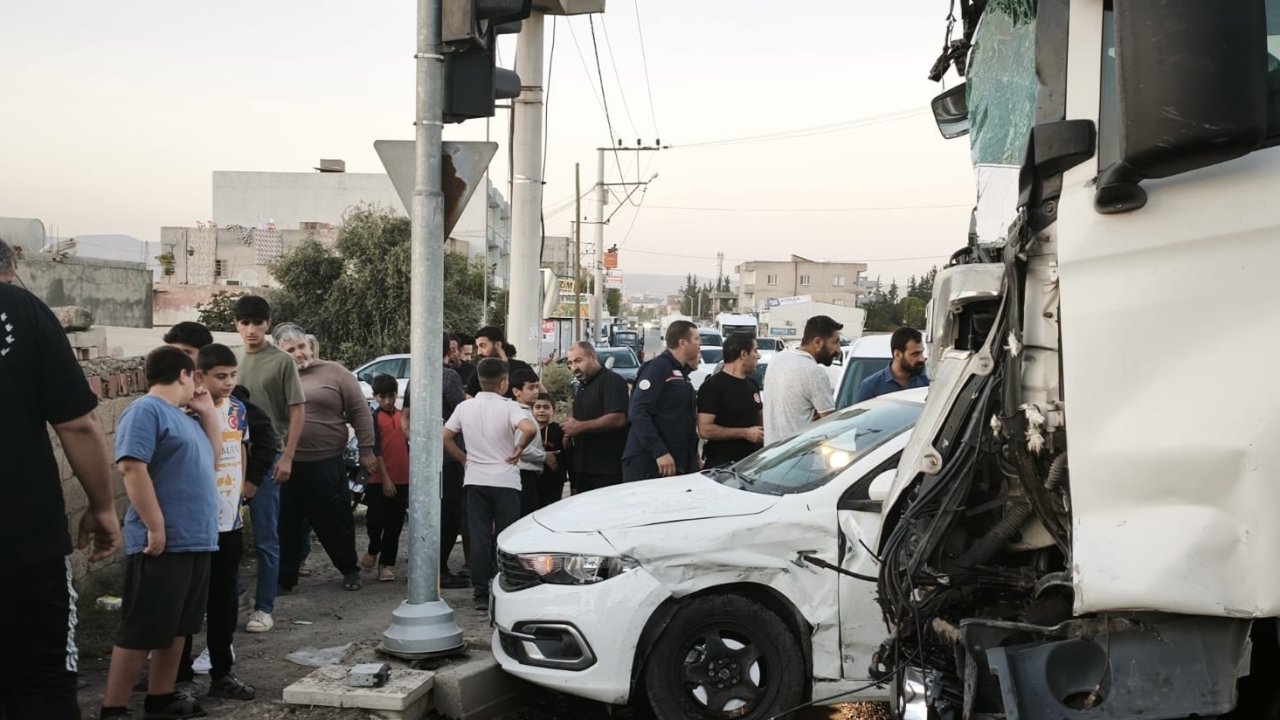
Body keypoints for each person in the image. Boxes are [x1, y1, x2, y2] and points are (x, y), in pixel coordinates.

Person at [0, 277, 121, 719]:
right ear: (9, 272)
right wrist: (103, 506)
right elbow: (79, 424)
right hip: (23, 543)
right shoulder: (24, 310)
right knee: (41, 682)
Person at [100, 346, 222, 720]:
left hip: (196, 538)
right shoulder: (146, 410)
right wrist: (155, 526)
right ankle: (114, 707)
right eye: (195, 379)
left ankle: (161, 696)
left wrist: (208, 414)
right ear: (185, 374)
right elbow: (132, 468)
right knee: (143, 627)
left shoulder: (186, 417)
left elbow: (213, 461)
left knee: (179, 626)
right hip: (163, 542)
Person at [176, 344, 256, 701]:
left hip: (229, 520)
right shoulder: (186, 411)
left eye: (232, 375)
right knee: (187, 601)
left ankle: (222, 672)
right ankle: (177, 677)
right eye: (220, 376)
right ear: (200, 377)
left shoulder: (238, 409)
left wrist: (240, 496)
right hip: (193, 524)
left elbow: (240, 448)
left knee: (223, 601)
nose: (228, 382)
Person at [273, 323, 378, 593]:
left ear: (310, 345)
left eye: (301, 347)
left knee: (335, 519)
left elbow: (360, 411)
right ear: (279, 353)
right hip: (286, 463)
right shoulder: (277, 376)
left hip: (326, 462)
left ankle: (350, 569)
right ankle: (286, 577)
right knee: (287, 523)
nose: (298, 353)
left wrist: (367, 450)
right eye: (290, 350)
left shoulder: (335, 372)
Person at [234, 295, 306, 633]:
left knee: (266, 535)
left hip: (269, 455)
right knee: (223, 534)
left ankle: (264, 607)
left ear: (267, 323)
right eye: (245, 323)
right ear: (237, 325)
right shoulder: (231, 361)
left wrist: (288, 456)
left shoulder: (282, 361)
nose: (251, 330)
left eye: (257, 323)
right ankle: (236, 594)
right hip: (232, 458)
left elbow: (297, 410)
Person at [443, 358, 539, 612]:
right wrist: (519, 449)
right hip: (506, 480)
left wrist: (464, 459)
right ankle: (504, 584)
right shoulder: (510, 408)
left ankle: (480, 592)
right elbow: (529, 427)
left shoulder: (465, 407)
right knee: (505, 536)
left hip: (476, 479)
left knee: (478, 535)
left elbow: (446, 435)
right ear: (504, 382)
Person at [401, 333, 471, 588]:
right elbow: (462, 414)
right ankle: (439, 571)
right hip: (450, 458)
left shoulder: (414, 378)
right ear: (448, 351)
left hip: (423, 460)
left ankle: (425, 567)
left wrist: (419, 445)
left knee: (425, 514)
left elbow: (405, 420)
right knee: (449, 515)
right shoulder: (449, 376)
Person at [622, 321, 701, 482]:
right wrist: (659, 451)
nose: (700, 344)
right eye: (697, 339)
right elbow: (638, 412)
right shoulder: (658, 368)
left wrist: (693, 457)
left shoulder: (680, 373)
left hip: (676, 464)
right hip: (649, 464)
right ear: (683, 343)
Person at [561, 342, 629, 492]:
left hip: (607, 470)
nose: (574, 367)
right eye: (570, 363)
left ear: (593, 357)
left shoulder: (611, 381)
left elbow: (618, 418)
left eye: (578, 361)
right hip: (584, 468)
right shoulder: (583, 386)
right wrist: (569, 433)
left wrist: (580, 427)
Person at [764, 315, 842, 444]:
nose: (838, 349)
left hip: (771, 456)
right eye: (835, 342)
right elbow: (830, 426)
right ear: (817, 342)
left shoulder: (777, 360)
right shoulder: (814, 372)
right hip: (799, 459)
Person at [364, 374, 410, 582]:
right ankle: (373, 549)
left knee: (395, 524)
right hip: (378, 479)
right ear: (375, 397)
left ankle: (386, 563)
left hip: (403, 478)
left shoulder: (404, 417)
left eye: (391, 396)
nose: (388, 401)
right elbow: (377, 450)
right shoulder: (373, 419)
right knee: (375, 521)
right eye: (383, 397)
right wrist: (385, 479)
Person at [697, 333, 765, 467]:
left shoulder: (752, 384)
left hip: (751, 464)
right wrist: (745, 433)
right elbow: (705, 429)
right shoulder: (712, 387)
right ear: (743, 354)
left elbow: (759, 418)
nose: (758, 356)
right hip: (722, 466)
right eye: (755, 350)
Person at [854, 326, 930, 402]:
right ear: (897, 354)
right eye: (915, 354)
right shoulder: (871, 387)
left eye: (921, 352)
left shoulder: (925, 382)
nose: (922, 359)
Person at [510, 367, 548, 516]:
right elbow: (521, 448)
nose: (535, 391)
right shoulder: (519, 414)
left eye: (536, 387)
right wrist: (545, 456)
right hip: (523, 473)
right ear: (516, 391)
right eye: (530, 388)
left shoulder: (526, 411)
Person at [465, 326, 533, 398]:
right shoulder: (479, 371)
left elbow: (541, 394)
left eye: (483, 346)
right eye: (478, 347)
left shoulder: (521, 367)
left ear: (497, 345)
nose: (479, 352)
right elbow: (469, 399)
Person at [533, 393, 569, 508]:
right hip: (533, 480)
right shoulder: (529, 430)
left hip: (555, 480)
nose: (541, 410)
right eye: (537, 407)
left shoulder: (560, 431)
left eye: (546, 407)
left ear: (553, 410)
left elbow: (568, 456)